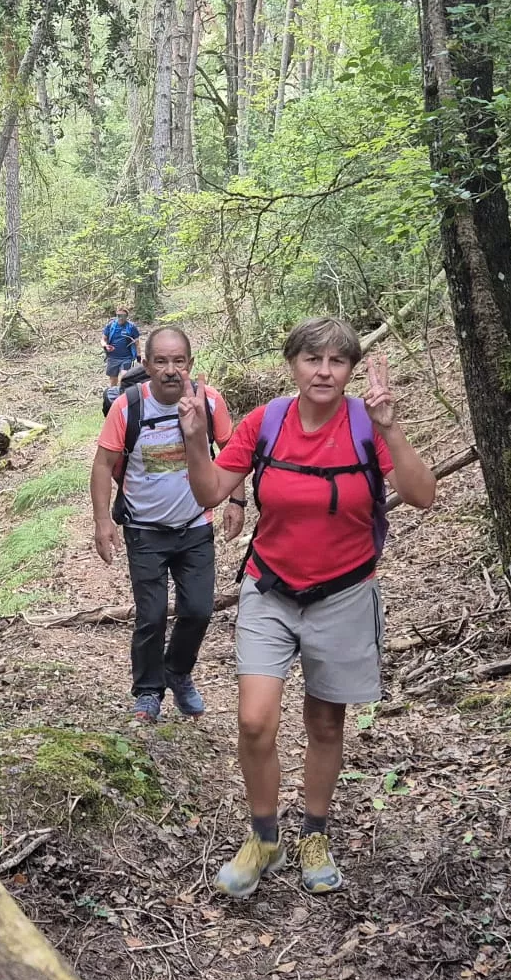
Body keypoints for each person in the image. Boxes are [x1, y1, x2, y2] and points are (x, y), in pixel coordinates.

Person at [178, 316, 435, 897]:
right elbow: (211, 492)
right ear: (292, 364)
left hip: (344, 593)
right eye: (312, 359)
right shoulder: (266, 421)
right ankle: (264, 835)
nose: (324, 371)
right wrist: (196, 440)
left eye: (337, 361)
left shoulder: (367, 425)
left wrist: (391, 431)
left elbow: (423, 496)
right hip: (270, 589)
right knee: (254, 718)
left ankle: (314, 834)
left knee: (324, 722)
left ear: (349, 370)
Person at [90, 326, 239, 724]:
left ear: (190, 363)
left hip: (194, 525)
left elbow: (234, 451)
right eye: (161, 361)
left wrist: (237, 500)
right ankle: (148, 692)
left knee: (199, 609)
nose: (171, 370)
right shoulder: (128, 407)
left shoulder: (208, 402)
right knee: (151, 616)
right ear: (146, 364)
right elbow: (103, 465)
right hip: (144, 530)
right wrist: (103, 520)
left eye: (178, 361)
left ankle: (177, 671)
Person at [101, 305, 140, 389]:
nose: (121, 318)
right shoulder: (111, 326)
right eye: (119, 316)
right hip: (112, 357)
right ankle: (113, 398)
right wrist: (105, 346)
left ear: (127, 316)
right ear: (116, 315)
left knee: (124, 377)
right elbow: (103, 339)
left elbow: (137, 343)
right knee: (113, 381)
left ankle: (123, 396)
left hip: (126, 358)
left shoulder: (131, 327)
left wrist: (139, 357)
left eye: (123, 316)